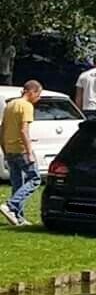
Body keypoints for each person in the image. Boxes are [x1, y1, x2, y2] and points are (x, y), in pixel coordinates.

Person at [3, 81, 44, 226]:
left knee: (17, 182)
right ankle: (10, 205)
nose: (38, 98)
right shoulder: (26, 106)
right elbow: (23, 130)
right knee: (35, 179)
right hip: (21, 149)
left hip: (9, 148)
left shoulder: (10, 105)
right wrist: (29, 152)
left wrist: (4, 147)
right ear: (31, 92)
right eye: (38, 95)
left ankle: (17, 216)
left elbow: (2, 128)